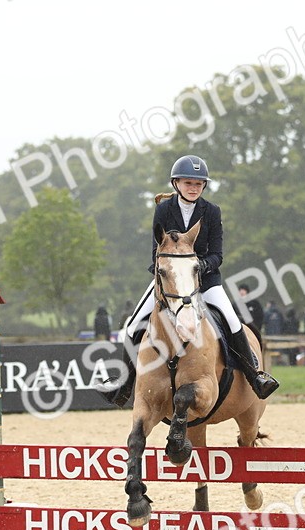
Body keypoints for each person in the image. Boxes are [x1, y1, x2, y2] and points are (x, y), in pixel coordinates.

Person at [101, 155, 278, 406]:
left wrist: (202, 266)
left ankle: (254, 376)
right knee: (132, 325)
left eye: (198, 184)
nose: (193, 188)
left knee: (231, 321)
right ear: (176, 184)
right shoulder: (163, 209)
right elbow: (156, 250)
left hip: (205, 281)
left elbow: (217, 254)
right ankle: (124, 383)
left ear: (203, 186)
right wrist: (170, 273)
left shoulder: (212, 211)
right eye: (188, 183)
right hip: (170, 282)